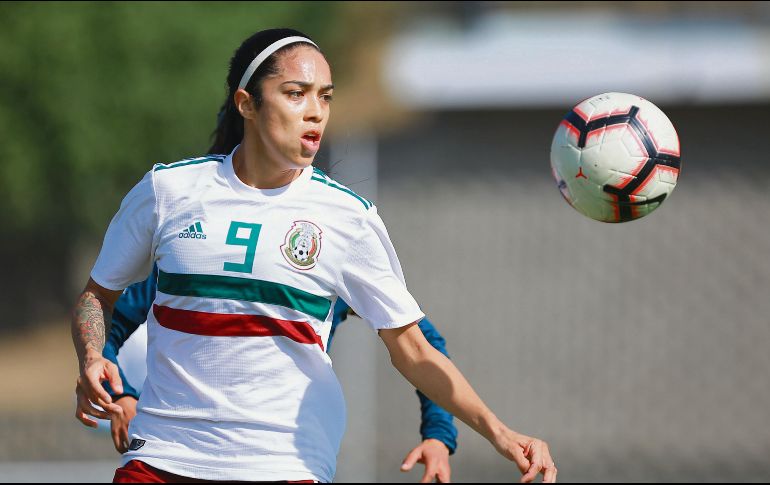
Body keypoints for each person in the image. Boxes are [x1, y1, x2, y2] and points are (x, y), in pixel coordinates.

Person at [71, 28, 556, 483]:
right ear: (247, 104)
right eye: (296, 93)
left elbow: (416, 348)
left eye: (325, 96)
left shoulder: (348, 218)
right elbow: (99, 297)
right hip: (163, 455)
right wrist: (92, 357)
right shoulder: (168, 191)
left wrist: (496, 432)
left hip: (283, 462)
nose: (316, 112)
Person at [75, 264, 458, 483]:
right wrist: (120, 392)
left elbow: (421, 345)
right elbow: (108, 316)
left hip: (280, 461)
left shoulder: (324, 254)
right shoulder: (191, 250)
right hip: (173, 457)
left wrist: (438, 433)